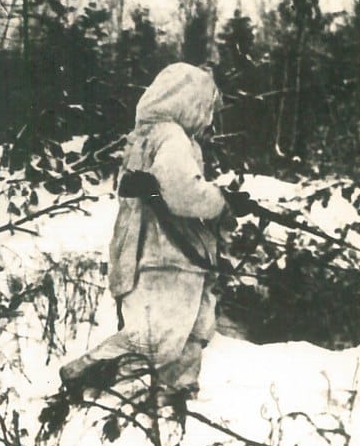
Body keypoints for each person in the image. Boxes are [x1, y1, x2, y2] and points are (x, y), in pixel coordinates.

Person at [60, 63, 250, 412]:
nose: (209, 120)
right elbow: (182, 194)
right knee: (157, 341)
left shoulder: (156, 137)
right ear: (190, 100)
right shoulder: (171, 137)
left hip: (172, 255)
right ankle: (82, 380)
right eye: (207, 107)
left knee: (191, 334)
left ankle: (171, 405)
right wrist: (222, 201)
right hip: (165, 256)